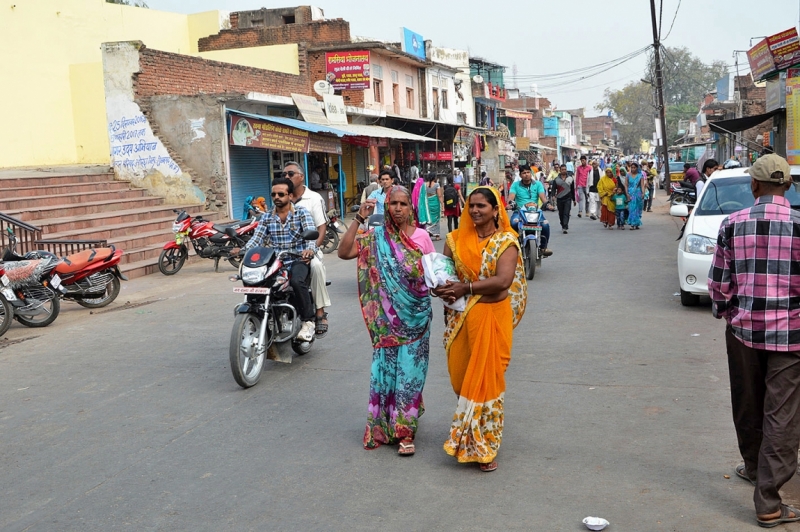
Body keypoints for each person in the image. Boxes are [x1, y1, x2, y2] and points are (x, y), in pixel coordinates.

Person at [708, 154, 800, 528]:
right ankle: (768, 501)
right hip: (791, 335)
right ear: (788, 187)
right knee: (782, 415)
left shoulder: (733, 224)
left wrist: (728, 314)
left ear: (754, 186)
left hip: (744, 332)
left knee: (747, 404)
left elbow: (718, 284)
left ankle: (752, 467)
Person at [433, 186, 527, 472]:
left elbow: (502, 281)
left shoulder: (506, 242)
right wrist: (443, 289)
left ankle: (484, 444)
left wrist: (466, 287)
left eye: (481, 206)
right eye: (471, 206)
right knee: (461, 378)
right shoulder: (455, 239)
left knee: (486, 380)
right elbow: (445, 274)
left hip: (491, 317)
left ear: (495, 210)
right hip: (460, 318)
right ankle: (471, 429)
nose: (475, 210)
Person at [338, 186, 434, 455]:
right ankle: (386, 423)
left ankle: (405, 431)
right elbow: (344, 253)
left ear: (411, 207)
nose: (399, 208)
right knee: (388, 373)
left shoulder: (423, 238)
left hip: (417, 315)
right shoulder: (376, 236)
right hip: (386, 321)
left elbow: (433, 274)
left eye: (404, 203)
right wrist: (359, 217)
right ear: (386, 206)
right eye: (394, 203)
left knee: (410, 374)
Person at [241, 177, 317, 342]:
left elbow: (311, 233)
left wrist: (309, 250)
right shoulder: (267, 217)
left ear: (290, 196)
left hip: (298, 259)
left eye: (281, 194)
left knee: (297, 281)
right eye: (274, 194)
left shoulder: (302, 213)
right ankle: (257, 316)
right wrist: (243, 250)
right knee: (256, 281)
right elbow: (257, 239)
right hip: (276, 262)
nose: (277, 197)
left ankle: (308, 321)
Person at [284, 162, 333, 338]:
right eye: (284, 175)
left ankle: (319, 312)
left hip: (307, 249)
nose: (287, 177)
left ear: (301, 176)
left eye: (290, 174)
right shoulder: (281, 197)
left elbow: (321, 228)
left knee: (316, 267)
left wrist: (312, 250)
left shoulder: (313, 198)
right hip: (284, 251)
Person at [507, 164, 553, 256]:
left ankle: (543, 248)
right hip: (519, 213)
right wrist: (510, 204)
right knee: (513, 224)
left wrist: (548, 205)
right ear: (520, 175)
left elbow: (543, 197)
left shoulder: (538, 184)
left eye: (528, 172)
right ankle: (513, 248)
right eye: (524, 173)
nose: (526, 174)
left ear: (531, 173)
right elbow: (511, 198)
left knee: (545, 225)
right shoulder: (515, 185)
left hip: (535, 213)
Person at [418, 173, 443, 240]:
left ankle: (429, 232)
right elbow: (439, 196)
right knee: (436, 219)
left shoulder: (424, 185)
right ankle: (437, 235)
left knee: (429, 217)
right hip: (435, 204)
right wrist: (443, 205)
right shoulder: (437, 185)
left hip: (427, 204)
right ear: (434, 178)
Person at [552, 164, 575, 234]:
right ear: (560, 170)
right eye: (562, 170)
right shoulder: (556, 180)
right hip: (559, 199)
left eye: (565, 169)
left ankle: (565, 227)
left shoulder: (570, 178)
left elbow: (572, 190)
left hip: (568, 199)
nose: (564, 171)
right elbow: (553, 189)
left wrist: (574, 199)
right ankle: (562, 224)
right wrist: (553, 195)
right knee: (561, 213)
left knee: (566, 213)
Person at [625, 161, 645, 230]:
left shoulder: (640, 175)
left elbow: (642, 185)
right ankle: (632, 224)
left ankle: (636, 223)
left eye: (634, 167)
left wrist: (643, 193)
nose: (633, 169)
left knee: (638, 209)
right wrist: (627, 193)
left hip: (638, 193)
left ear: (637, 168)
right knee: (632, 208)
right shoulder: (628, 175)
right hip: (631, 193)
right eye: (632, 167)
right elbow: (626, 185)